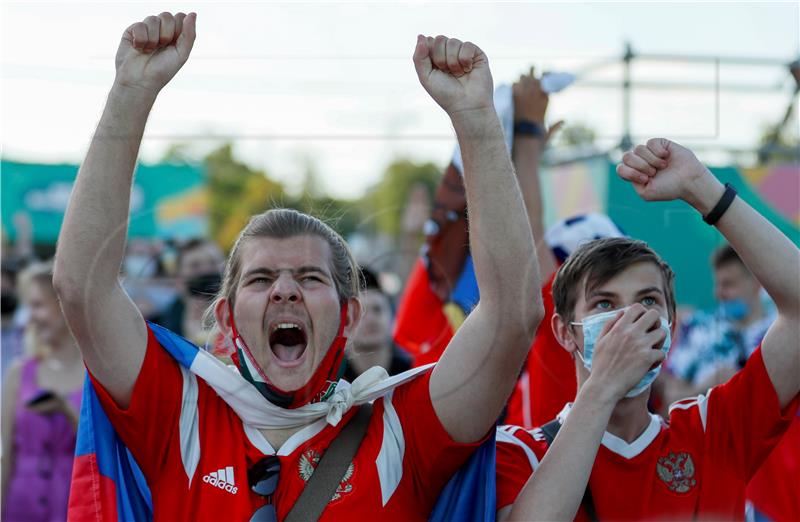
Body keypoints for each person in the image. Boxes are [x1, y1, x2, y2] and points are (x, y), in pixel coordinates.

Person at [54, 12, 542, 521]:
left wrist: (477, 119)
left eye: (310, 278)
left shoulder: (402, 428)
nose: (285, 291)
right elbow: (81, 287)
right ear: (224, 318)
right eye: (261, 279)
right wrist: (130, 93)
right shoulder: (180, 413)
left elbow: (511, 315)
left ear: (350, 316)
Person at [504, 138, 799, 521]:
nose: (630, 320)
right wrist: (604, 388)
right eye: (605, 304)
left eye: (647, 301)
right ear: (564, 332)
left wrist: (702, 188)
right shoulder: (520, 452)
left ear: (671, 326)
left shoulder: (712, 432)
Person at [1, 261, 84, 522]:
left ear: (63, 305)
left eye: (37, 305)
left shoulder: (96, 373)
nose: (31, 316)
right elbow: (5, 456)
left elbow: (106, 450)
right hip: (20, 505)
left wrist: (66, 409)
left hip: (75, 504)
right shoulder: (20, 372)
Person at [664, 243, 776, 402]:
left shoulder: (781, 330)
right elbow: (669, 400)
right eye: (717, 284)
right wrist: (705, 387)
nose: (718, 293)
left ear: (756, 283)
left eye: (728, 284)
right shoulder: (698, 327)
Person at [343, 268, 411, 380]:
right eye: (361, 313)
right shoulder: (331, 384)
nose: (371, 319)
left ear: (392, 315)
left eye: (377, 309)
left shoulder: (411, 375)